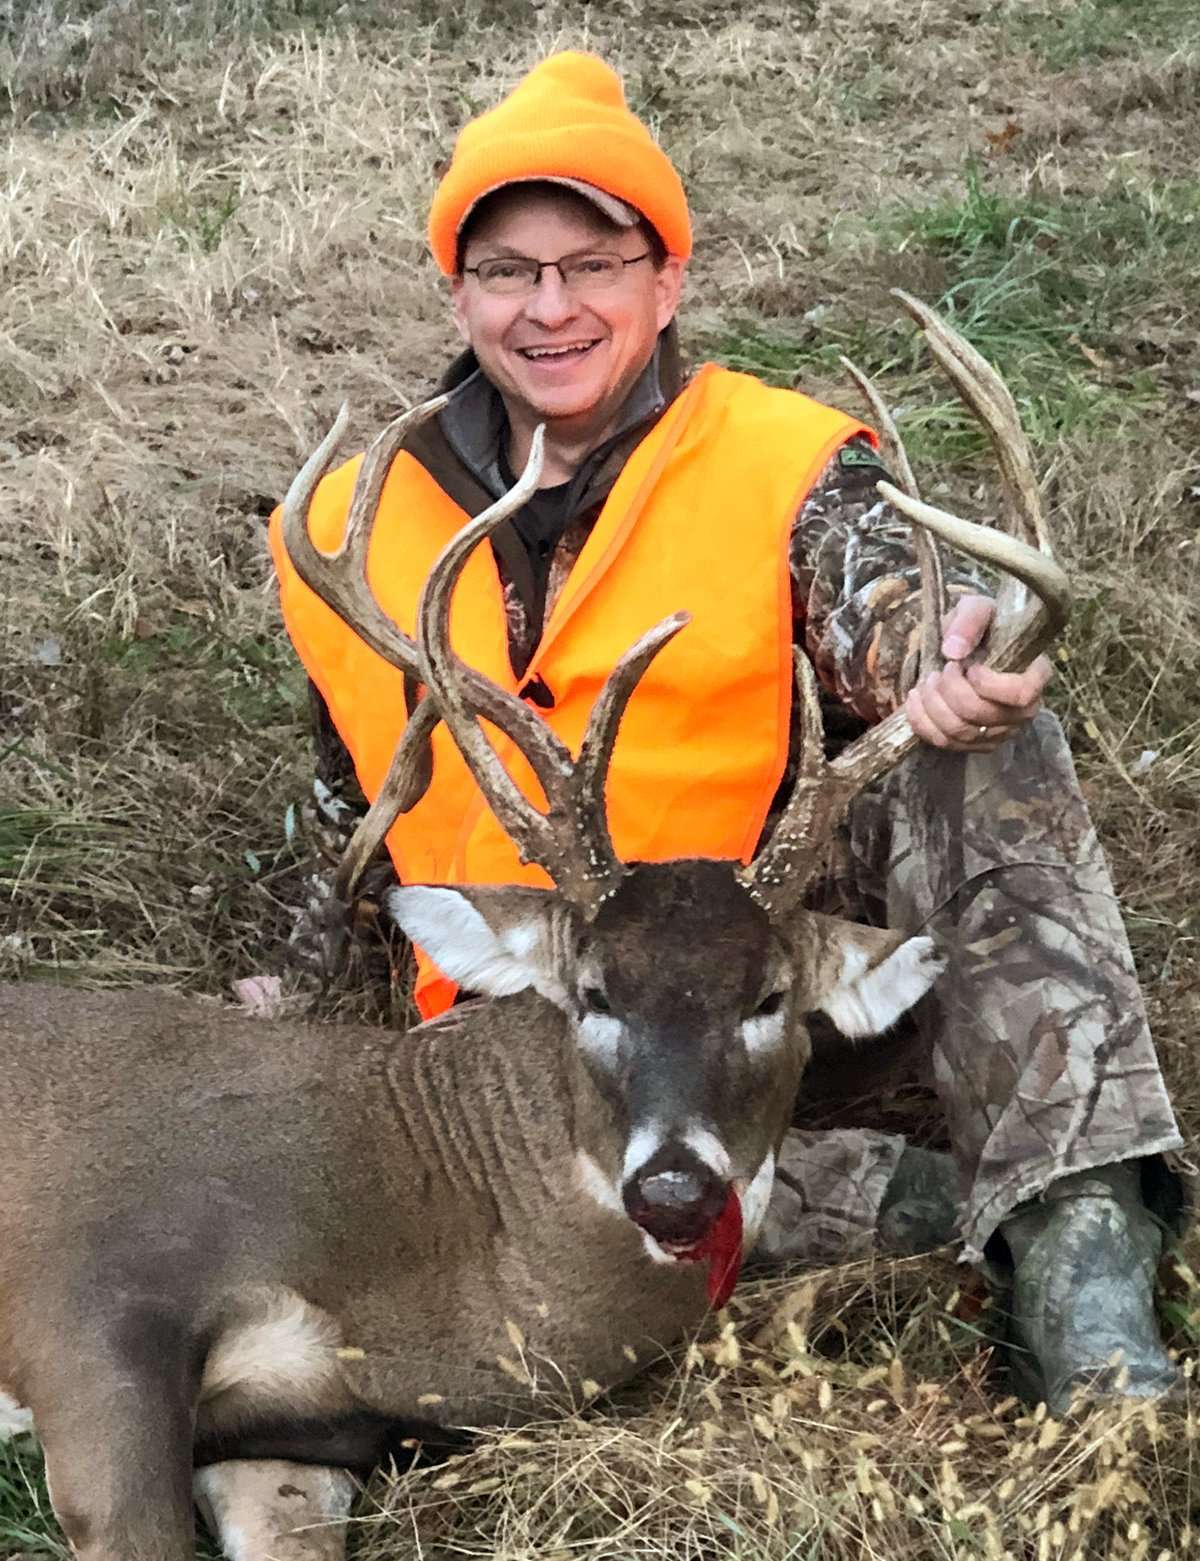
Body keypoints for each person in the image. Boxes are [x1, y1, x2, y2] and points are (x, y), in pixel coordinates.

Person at [269, 52, 1185, 1414]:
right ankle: (919, 1200)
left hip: (768, 944)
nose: (552, 306)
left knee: (986, 752)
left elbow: (881, 580)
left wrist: (944, 646)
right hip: (542, 1025)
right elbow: (362, 783)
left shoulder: (778, 460)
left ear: (667, 279)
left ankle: (1080, 1262)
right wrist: (294, 965)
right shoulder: (353, 516)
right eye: (509, 269)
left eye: (596, 261)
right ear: (459, 293)